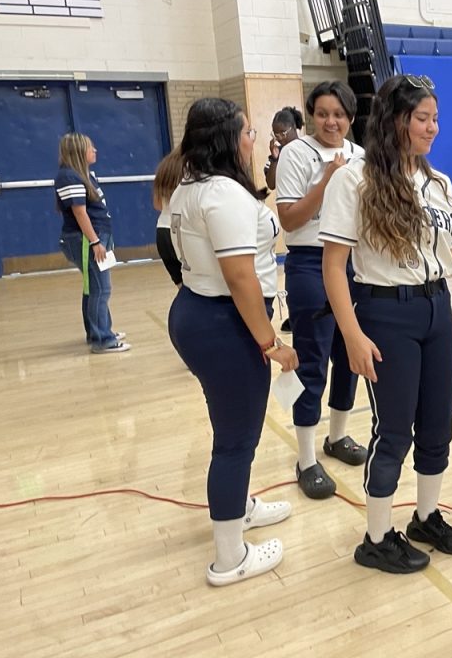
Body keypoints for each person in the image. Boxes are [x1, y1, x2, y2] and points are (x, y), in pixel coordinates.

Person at [319, 73, 452, 574]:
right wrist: (353, 335)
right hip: (385, 314)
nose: (432, 128)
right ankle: (377, 537)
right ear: (396, 121)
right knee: (393, 432)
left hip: (436, 310)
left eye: (435, 119)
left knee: (436, 425)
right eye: (422, 119)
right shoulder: (354, 180)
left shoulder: (438, 183)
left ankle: (425, 517)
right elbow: (333, 266)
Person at [167, 97, 299, 586]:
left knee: (230, 430)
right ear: (226, 137)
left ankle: (238, 507)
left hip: (199, 314)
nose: (254, 138)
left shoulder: (191, 185)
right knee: (235, 442)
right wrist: (271, 344)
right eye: (247, 130)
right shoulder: (220, 193)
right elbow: (241, 277)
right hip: (225, 324)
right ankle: (229, 558)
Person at [275, 81, 366, 500]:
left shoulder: (361, 156)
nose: (332, 121)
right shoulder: (295, 153)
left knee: (352, 354)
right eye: (324, 113)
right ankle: (307, 458)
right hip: (310, 263)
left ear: (350, 117)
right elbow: (291, 220)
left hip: (353, 264)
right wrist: (329, 179)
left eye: (340, 114)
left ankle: (338, 437)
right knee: (312, 361)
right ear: (312, 114)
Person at [54, 133, 130, 354]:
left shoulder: (84, 175)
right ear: (79, 152)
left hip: (96, 236)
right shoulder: (69, 176)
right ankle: (102, 340)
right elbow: (79, 212)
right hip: (86, 239)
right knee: (100, 289)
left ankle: (99, 330)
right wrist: (95, 241)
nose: (95, 150)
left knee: (94, 288)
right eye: (90, 147)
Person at [153, 149, 184, 286]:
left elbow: (157, 204)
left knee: (183, 289)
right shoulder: (190, 167)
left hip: (162, 231)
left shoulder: (164, 166)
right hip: (180, 231)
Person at [263, 106, 304, 191]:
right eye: (276, 135)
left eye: (283, 133)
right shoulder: (277, 153)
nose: (280, 138)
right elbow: (271, 185)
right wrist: (275, 159)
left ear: (293, 127)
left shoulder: (306, 149)